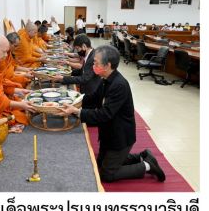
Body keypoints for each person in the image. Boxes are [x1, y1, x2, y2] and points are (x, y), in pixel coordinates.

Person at [66, 46, 166, 183]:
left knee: (107, 174)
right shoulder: (106, 78)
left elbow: (105, 114)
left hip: (120, 135)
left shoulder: (119, 85)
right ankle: (141, 156)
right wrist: (74, 102)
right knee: (101, 162)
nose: (93, 65)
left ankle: (147, 166)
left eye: (95, 63)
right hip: (109, 132)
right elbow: (93, 97)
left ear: (107, 65)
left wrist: (78, 112)